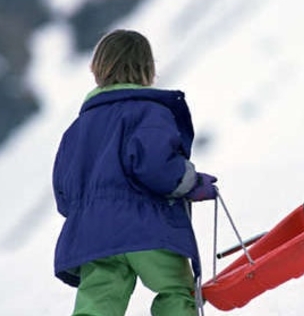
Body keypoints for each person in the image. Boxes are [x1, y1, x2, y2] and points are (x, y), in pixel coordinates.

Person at [52, 29, 218, 316]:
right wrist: (190, 182)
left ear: (97, 69)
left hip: (95, 237)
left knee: (98, 304)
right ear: (148, 69)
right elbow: (157, 167)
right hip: (149, 229)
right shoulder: (150, 113)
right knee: (175, 292)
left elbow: (64, 197)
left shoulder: (76, 130)